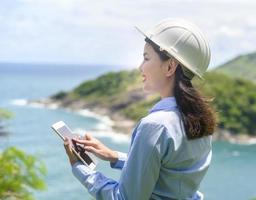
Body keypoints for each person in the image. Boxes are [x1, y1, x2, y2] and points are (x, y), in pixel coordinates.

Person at [64, 18, 217, 200]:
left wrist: (78, 167)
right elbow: (169, 173)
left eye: (146, 58)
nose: (140, 67)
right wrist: (113, 156)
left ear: (170, 66)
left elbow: (125, 198)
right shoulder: (200, 119)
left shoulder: (156, 125)